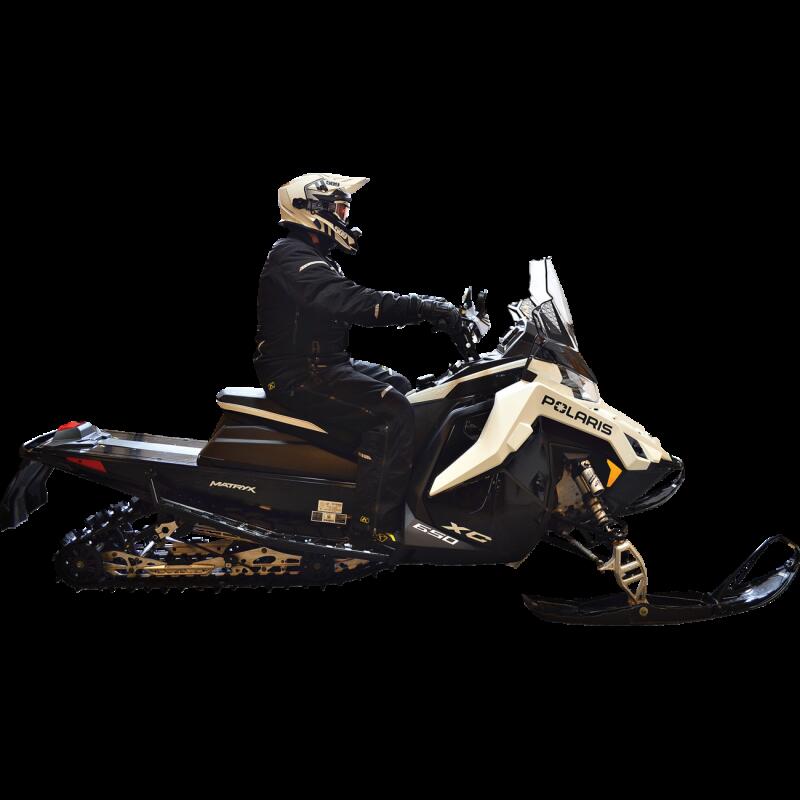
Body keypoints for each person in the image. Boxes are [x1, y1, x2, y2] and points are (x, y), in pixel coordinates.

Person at [253, 173, 462, 545]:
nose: (344, 220)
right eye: (338, 210)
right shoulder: (291, 256)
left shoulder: (314, 257)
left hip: (324, 365)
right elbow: (352, 302)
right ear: (310, 210)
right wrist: (423, 306)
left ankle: (358, 476)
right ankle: (372, 529)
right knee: (393, 411)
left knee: (403, 387)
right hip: (297, 374)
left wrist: (438, 315)